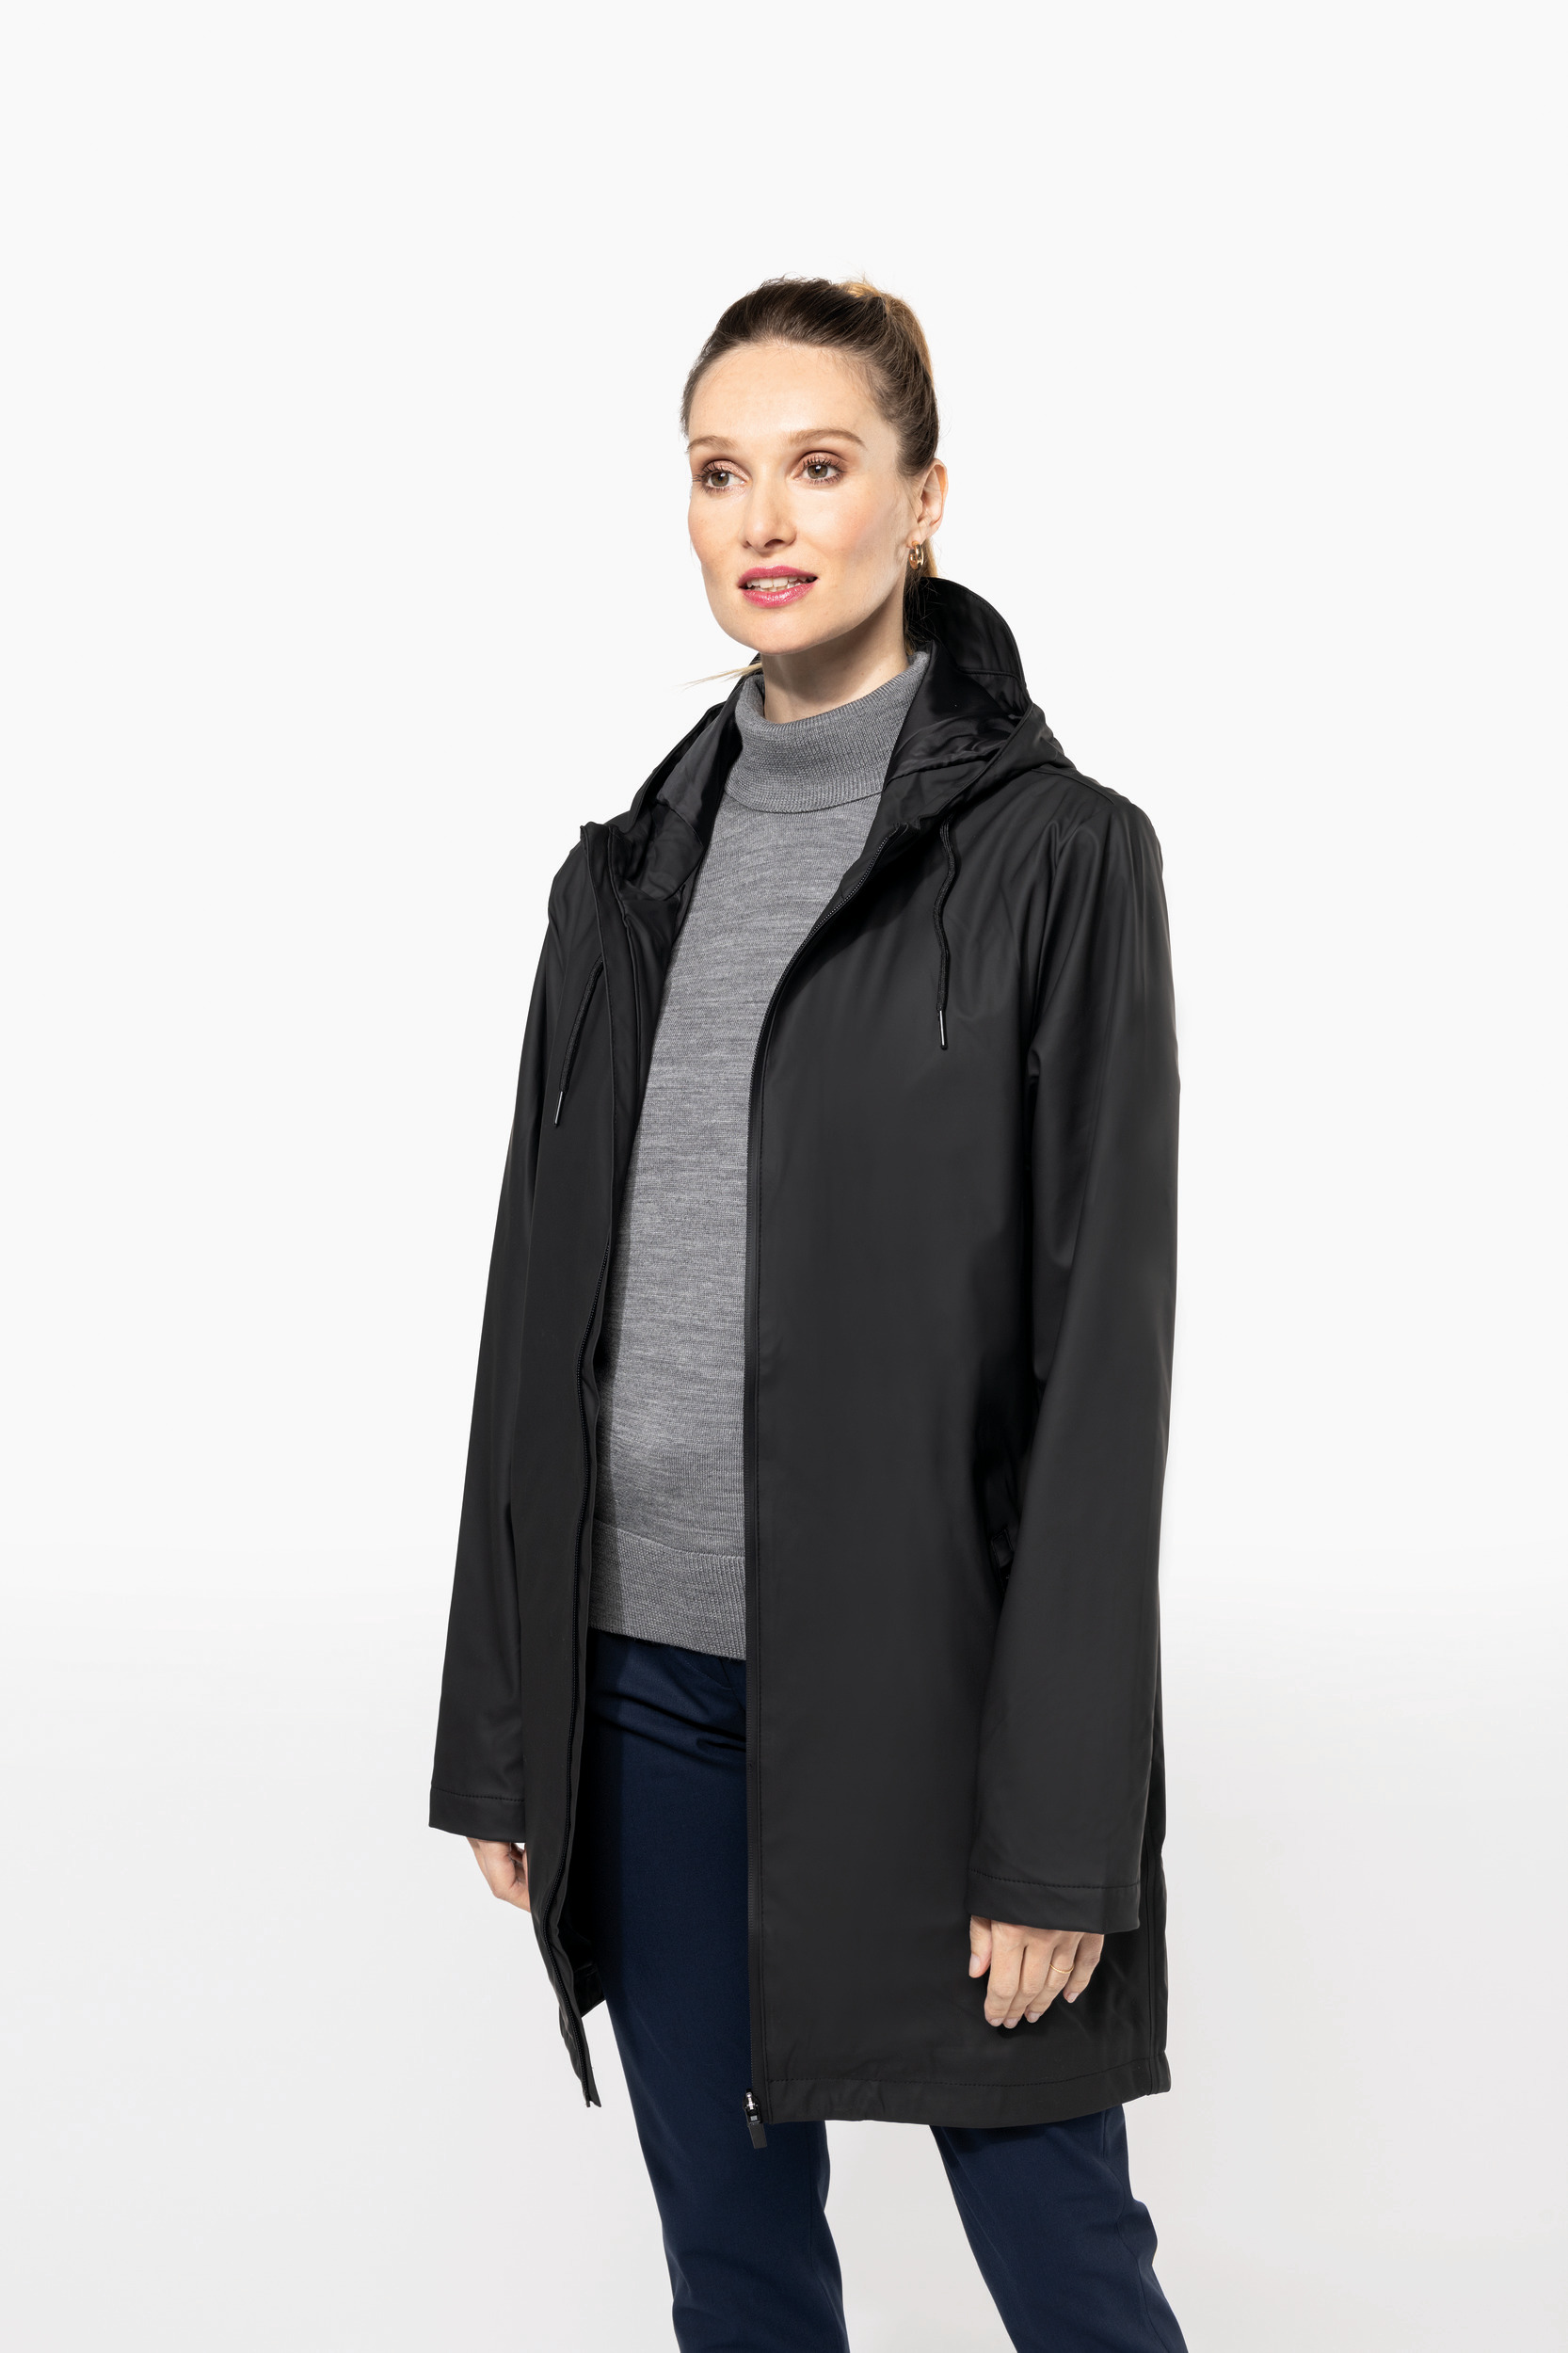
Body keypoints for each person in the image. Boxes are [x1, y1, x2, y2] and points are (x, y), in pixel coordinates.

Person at [430, 277, 1185, 2353]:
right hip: (638, 1693)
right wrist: (504, 1718)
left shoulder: (1058, 861)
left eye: (820, 465)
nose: (764, 518)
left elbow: (1101, 1372)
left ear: (921, 501)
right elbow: (530, 1309)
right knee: (736, 2273)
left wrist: (1060, 1831)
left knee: (1067, 2271)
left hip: (934, 1710)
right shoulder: (616, 879)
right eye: (717, 471)